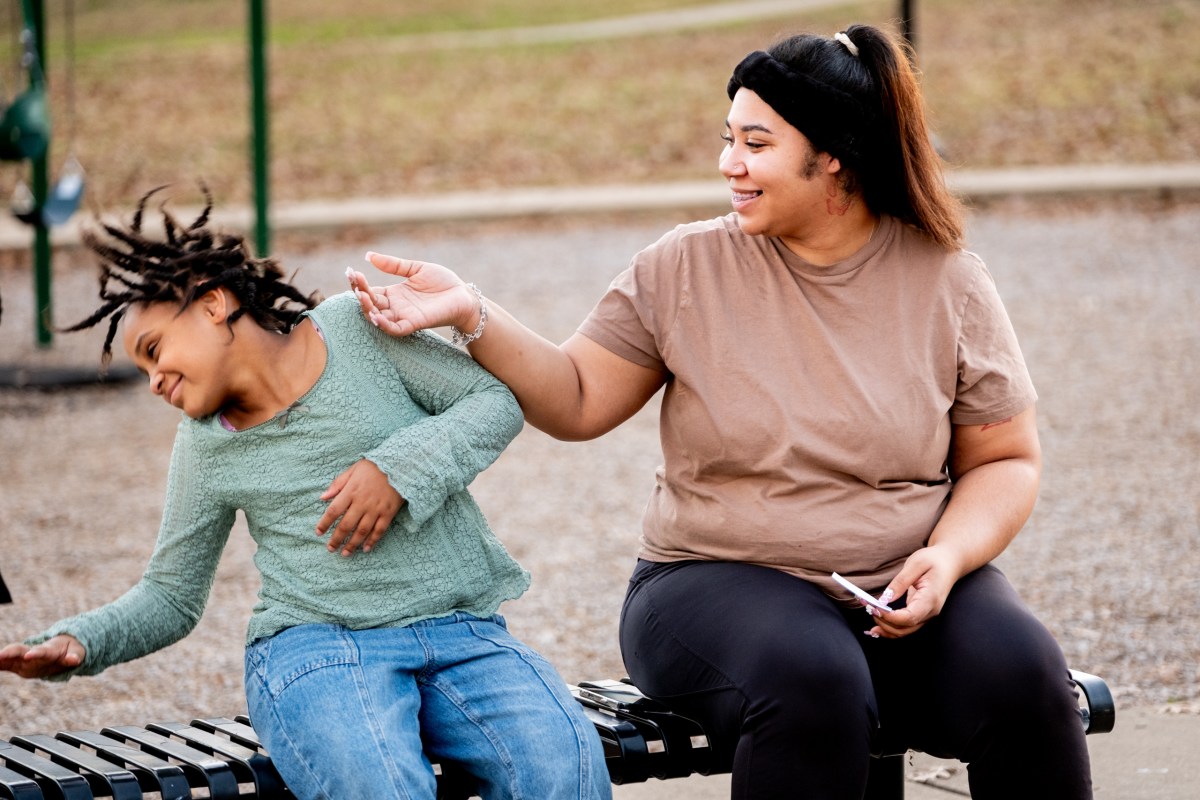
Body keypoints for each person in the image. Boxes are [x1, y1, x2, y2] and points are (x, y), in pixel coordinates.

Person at [347, 23, 1093, 800]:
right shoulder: (685, 266)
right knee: (815, 686)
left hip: (904, 588)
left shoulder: (948, 280)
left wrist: (950, 557)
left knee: (1029, 683)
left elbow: (1005, 458)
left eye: (756, 144)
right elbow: (575, 397)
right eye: (728, 138)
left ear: (832, 155)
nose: (728, 164)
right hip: (713, 583)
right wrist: (472, 311)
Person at [0, 187, 611, 800]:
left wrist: (398, 469)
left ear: (214, 304)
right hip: (318, 649)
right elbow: (171, 595)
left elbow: (493, 401)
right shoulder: (205, 446)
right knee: (385, 790)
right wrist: (84, 640)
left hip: (462, 634)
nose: (154, 381)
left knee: (569, 771)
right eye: (144, 371)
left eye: (154, 351)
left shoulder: (355, 328)